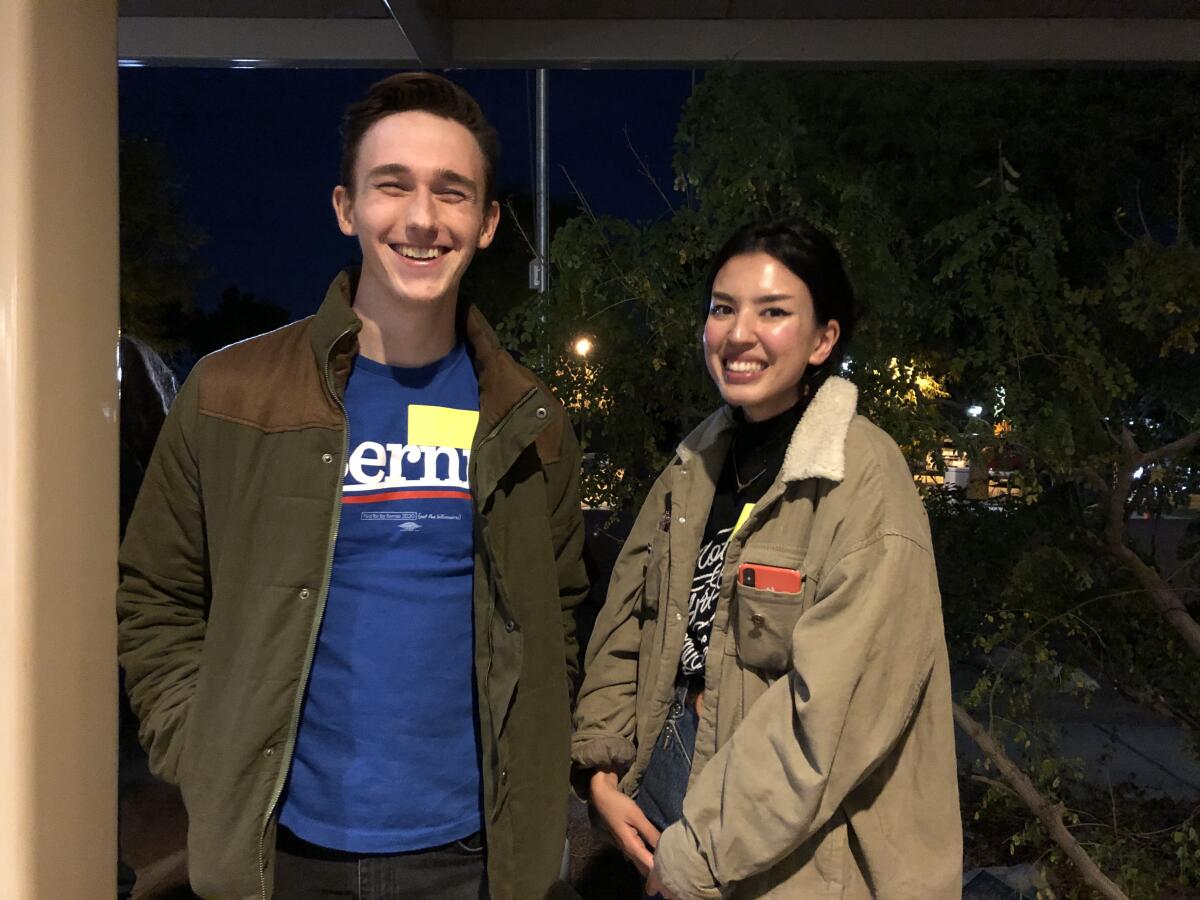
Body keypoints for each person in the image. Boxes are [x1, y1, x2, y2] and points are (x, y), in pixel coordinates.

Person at [118, 72, 588, 900]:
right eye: (392, 185)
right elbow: (155, 596)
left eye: (452, 192)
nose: (420, 217)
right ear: (346, 208)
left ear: (484, 224)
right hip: (281, 849)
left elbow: (558, 615)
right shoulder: (231, 396)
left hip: (471, 856)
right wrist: (204, 747)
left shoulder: (530, 419)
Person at [571, 221, 961, 898]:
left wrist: (698, 852)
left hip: (792, 847)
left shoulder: (860, 479)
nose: (739, 333)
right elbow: (630, 618)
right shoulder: (695, 461)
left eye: (773, 312)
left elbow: (829, 722)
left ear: (823, 340)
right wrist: (600, 767)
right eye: (723, 308)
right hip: (666, 790)